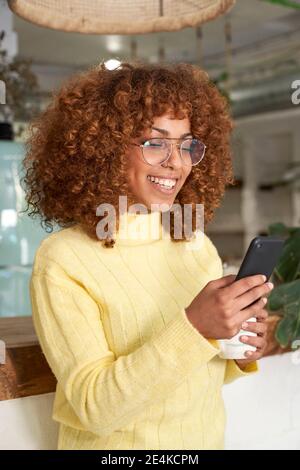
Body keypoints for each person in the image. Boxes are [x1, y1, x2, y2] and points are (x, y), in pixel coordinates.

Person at [23, 61, 271, 450]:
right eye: (155, 142)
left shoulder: (194, 243)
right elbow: (94, 407)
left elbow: (194, 375)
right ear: (103, 150)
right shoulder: (62, 260)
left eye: (187, 144)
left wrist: (237, 348)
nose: (176, 162)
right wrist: (196, 326)